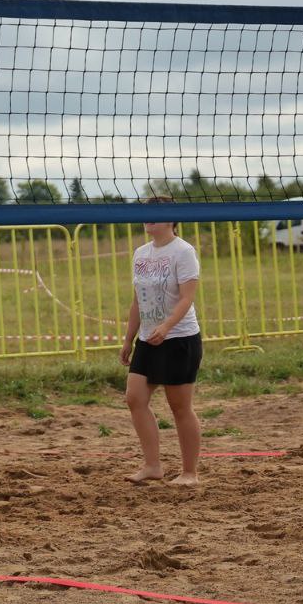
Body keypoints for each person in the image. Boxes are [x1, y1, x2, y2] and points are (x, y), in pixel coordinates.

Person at [119, 199, 203, 487]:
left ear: (170, 220)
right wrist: (129, 338)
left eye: (153, 215)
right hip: (148, 338)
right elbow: (137, 300)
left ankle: (189, 472)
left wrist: (167, 326)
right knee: (135, 398)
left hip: (179, 337)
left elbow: (187, 297)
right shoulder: (141, 253)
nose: (147, 219)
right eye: (145, 215)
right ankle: (153, 466)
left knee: (180, 406)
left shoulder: (183, 251)